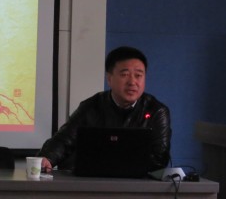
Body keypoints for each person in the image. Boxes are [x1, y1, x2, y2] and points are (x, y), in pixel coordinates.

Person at [37, 46, 171, 173]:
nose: (132, 82)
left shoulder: (156, 111)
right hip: (94, 182)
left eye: (138, 75)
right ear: (109, 78)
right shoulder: (91, 107)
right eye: (125, 74)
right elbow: (64, 139)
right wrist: (47, 158)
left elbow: (159, 158)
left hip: (138, 182)